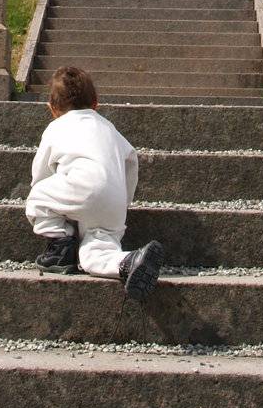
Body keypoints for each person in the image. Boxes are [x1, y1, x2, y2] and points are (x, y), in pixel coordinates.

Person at [25, 64, 163, 301]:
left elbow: (41, 174)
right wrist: (123, 201)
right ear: (96, 103)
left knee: (38, 197)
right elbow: (131, 161)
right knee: (98, 249)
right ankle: (128, 262)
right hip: (113, 205)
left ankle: (60, 247)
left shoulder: (56, 127)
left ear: (52, 109)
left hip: (81, 192)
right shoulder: (110, 129)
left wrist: (56, 211)